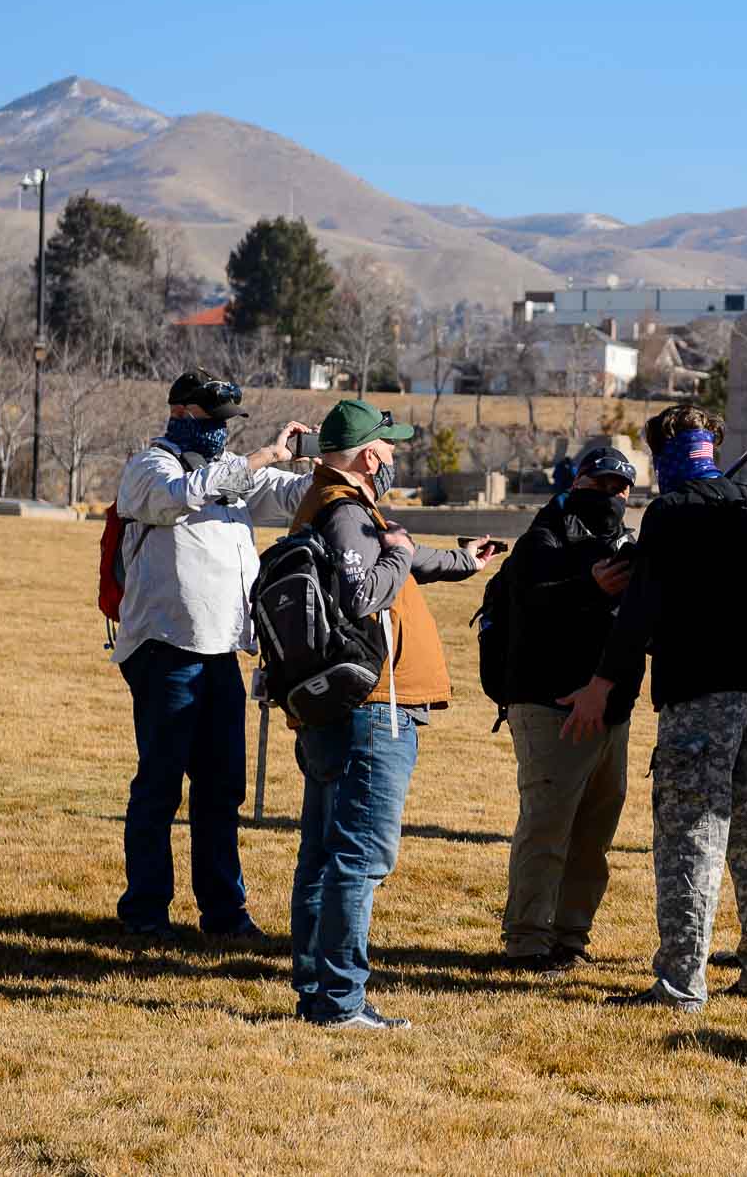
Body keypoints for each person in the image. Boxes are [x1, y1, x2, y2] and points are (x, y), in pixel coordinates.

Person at [560, 404, 747, 1011]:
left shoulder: (669, 515)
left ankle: (680, 981)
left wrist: (603, 681)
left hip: (700, 696)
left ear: (662, 455)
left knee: (691, 837)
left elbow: (640, 609)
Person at [288, 400, 492, 1028]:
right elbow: (364, 590)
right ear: (370, 456)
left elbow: (388, 558)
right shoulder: (346, 510)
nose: (396, 456)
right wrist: (401, 553)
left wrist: (461, 561)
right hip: (373, 707)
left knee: (324, 850)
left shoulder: (331, 503)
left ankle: (320, 990)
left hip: (337, 702)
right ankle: (341, 1000)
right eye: (391, 448)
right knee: (359, 856)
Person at [110, 369, 314, 942]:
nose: (224, 432)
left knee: (222, 787)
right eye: (215, 421)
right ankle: (146, 912)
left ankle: (224, 913)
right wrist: (253, 459)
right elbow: (177, 501)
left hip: (222, 651)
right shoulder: (151, 466)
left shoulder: (233, 474)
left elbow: (293, 496)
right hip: (165, 650)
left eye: (231, 424)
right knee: (159, 785)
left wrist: (329, 465)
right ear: (182, 414)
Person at [499, 445, 643, 972]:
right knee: (547, 827)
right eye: (601, 484)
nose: (612, 496)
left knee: (593, 836)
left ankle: (570, 935)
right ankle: (527, 940)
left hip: (613, 711)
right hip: (549, 705)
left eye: (621, 488)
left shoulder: (627, 542)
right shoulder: (542, 537)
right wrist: (589, 586)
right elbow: (530, 602)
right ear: (577, 481)